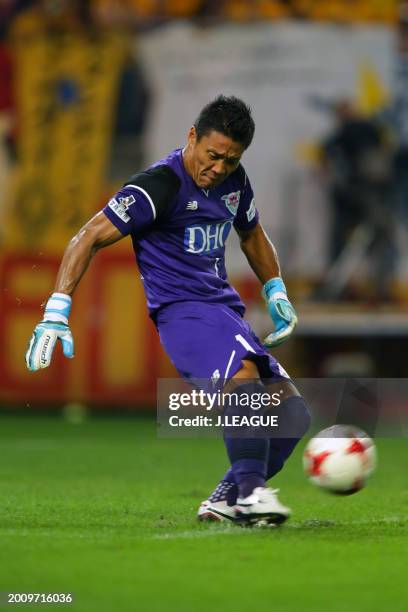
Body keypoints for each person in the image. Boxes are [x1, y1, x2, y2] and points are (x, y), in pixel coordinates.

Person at [25, 96, 310, 525]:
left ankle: (226, 499)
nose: (218, 168)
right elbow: (88, 236)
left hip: (224, 310)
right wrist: (56, 309)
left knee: (292, 414)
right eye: (213, 156)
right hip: (184, 313)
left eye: (230, 161)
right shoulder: (160, 185)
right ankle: (253, 494)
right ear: (192, 137)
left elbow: (251, 233)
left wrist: (275, 290)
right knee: (245, 379)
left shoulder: (235, 181)